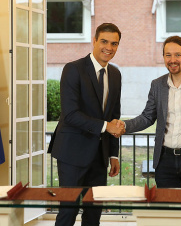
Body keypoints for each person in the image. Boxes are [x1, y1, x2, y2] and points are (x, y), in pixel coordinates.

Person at [116, 35, 181, 189]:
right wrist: (123, 125)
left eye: (178, 55)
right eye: (168, 55)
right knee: (167, 210)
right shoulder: (157, 85)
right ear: (164, 57)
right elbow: (147, 117)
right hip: (165, 161)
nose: (173, 60)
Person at [48, 23, 125, 226]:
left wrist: (113, 154)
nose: (109, 47)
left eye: (114, 43)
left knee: (93, 215)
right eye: (104, 41)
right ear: (94, 41)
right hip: (72, 153)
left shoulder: (116, 74)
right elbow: (71, 115)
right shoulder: (73, 69)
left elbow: (114, 116)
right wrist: (105, 126)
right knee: (68, 212)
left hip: (99, 156)